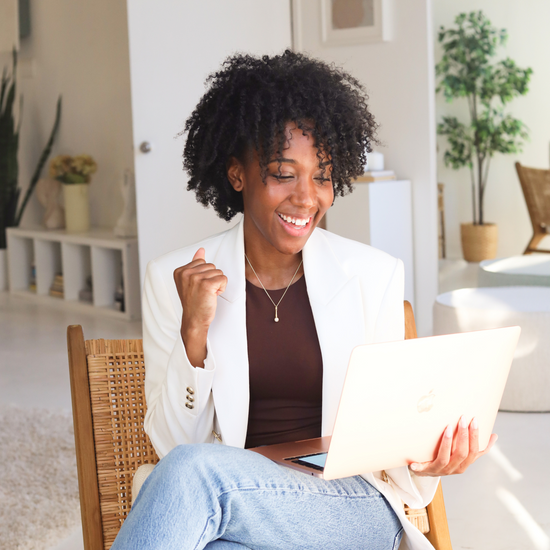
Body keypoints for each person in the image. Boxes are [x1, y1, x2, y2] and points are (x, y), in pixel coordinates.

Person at [111, 50, 496, 550]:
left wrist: (432, 457)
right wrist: (194, 335)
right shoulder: (175, 278)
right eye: (282, 173)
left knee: (194, 474)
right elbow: (171, 442)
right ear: (237, 175)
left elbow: (393, 436)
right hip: (236, 507)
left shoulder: (372, 276)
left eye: (321, 176)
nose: (306, 197)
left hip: (346, 503)